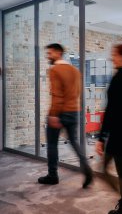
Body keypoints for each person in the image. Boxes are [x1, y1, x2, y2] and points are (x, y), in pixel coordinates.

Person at [38, 43, 93, 188]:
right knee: (74, 142)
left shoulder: (55, 70)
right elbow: (78, 92)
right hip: (74, 111)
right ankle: (87, 169)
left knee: (51, 144)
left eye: (50, 53)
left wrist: (54, 115)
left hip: (59, 112)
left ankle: (52, 175)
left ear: (58, 53)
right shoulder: (75, 70)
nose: (48, 56)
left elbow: (56, 95)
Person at [96, 44, 122, 214]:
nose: (111, 57)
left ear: (121, 56)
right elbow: (114, 110)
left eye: (113, 54)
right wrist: (103, 135)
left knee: (118, 171)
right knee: (115, 171)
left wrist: (101, 136)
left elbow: (113, 111)